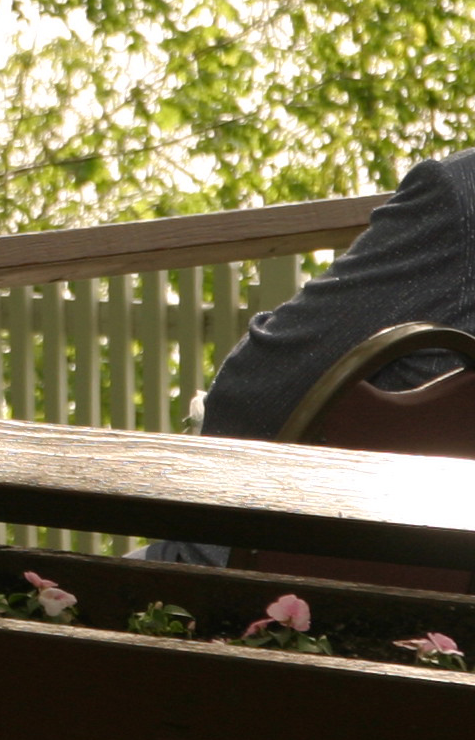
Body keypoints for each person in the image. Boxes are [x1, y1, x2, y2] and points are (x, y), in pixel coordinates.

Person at [138, 152, 475, 566]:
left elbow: (262, 384)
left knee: (77, 585)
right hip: (439, 575)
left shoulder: (461, 195)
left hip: (344, 571)